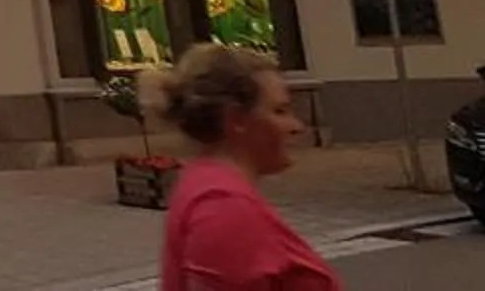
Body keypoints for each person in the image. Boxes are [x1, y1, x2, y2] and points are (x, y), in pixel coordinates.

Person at [146, 43, 341, 291]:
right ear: (236, 119)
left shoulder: (207, 183)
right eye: (280, 110)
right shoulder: (223, 206)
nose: (296, 126)